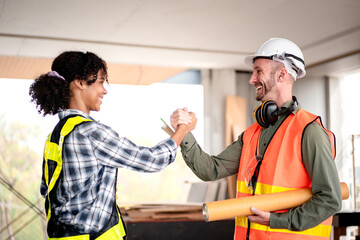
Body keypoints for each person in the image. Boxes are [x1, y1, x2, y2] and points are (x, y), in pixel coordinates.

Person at [170, 38, 342, 240]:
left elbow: (330, 200)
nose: (251, 79)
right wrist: (184, 132)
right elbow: (211, 169)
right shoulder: (253, 133)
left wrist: (276, 220)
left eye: (258, 71)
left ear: (281, 74)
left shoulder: (309, 132)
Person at [29, 51, 193, 240]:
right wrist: (182, 130)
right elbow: (151, 160)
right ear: (80, 83)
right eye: (100, 82)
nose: (104, 90)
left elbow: (46, 190)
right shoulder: (90, 132)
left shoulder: (56, 136)